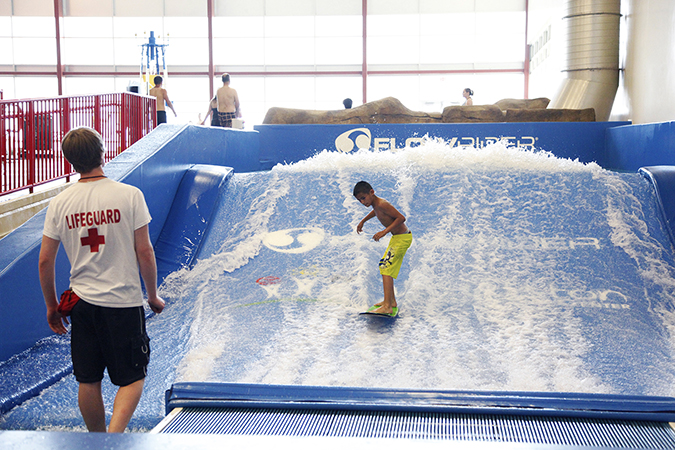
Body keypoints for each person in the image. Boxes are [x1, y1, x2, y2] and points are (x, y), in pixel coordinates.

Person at [38, 127, 165, 433]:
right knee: (133, 378)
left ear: (69, 161)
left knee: (88, 378)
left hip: (81, 302)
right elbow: (144, 252)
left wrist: (52, 306)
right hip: (122, 302)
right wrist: (152, 295)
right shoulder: (129, 195)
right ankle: (114, 437)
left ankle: (96, 440)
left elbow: (44, 260)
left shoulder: (60, 203)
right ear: (103, 153)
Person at [354, 181, 412, 316]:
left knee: (386, 268)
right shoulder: (377, 205)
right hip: (397, 238)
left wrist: (384, 231)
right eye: (359, 200)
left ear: (372, 192)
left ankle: (387, 306)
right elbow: (376, 212)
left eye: (363, 198)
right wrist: (363, 221)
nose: (362, 202)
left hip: (402, 238)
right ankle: (391, 302)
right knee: (384, 266)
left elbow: (401, 218)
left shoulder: (382, 203)